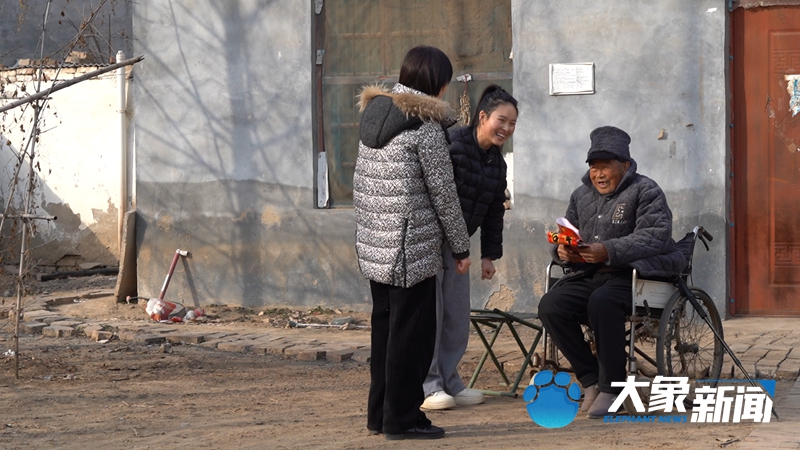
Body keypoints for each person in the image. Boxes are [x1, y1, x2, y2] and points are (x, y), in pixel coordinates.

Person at [353, 45, 472, 440]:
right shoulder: (424, 127)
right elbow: (444, 195)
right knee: (412, 339)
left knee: (385, 332)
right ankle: (403, 419)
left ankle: (380, 415)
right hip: (411, 249)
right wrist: (460, 248)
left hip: (376, 246)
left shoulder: (374, 115)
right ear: (439, 84)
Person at [537, 125, 686, 419]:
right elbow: (568, 232)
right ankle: (591, 379)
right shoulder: (581, 195)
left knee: (603, 302)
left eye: (606, 166)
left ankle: (613, 387)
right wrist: (562, 250)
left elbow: (655, 236)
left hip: (636, 275)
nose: (599, 174)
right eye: (594, 167)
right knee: (551, 306)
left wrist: (608, 250)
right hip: (590, 273)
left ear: (625, 166)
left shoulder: (646, 190)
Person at [421, 85, 518, 410]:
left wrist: (488, 255)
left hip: (459, 246)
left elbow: (493, 212)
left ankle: (450, 381)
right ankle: (428, 385)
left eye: (512, 123)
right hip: (430, 241)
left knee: (456, 315)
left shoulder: (497, 164)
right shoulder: (453, 145)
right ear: (483, 117)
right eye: (502, 120)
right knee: (432, 315)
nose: (506, 128)